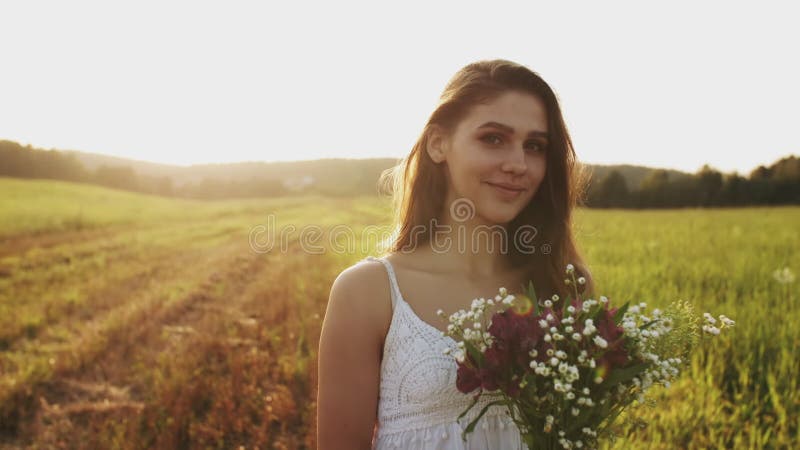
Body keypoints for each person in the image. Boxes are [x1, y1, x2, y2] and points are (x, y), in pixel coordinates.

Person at [317, 59, 594, 449]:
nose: (518, 164)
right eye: (493, 138)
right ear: (438, 144)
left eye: (535, 146)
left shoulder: (563, 282)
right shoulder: (369, 292)